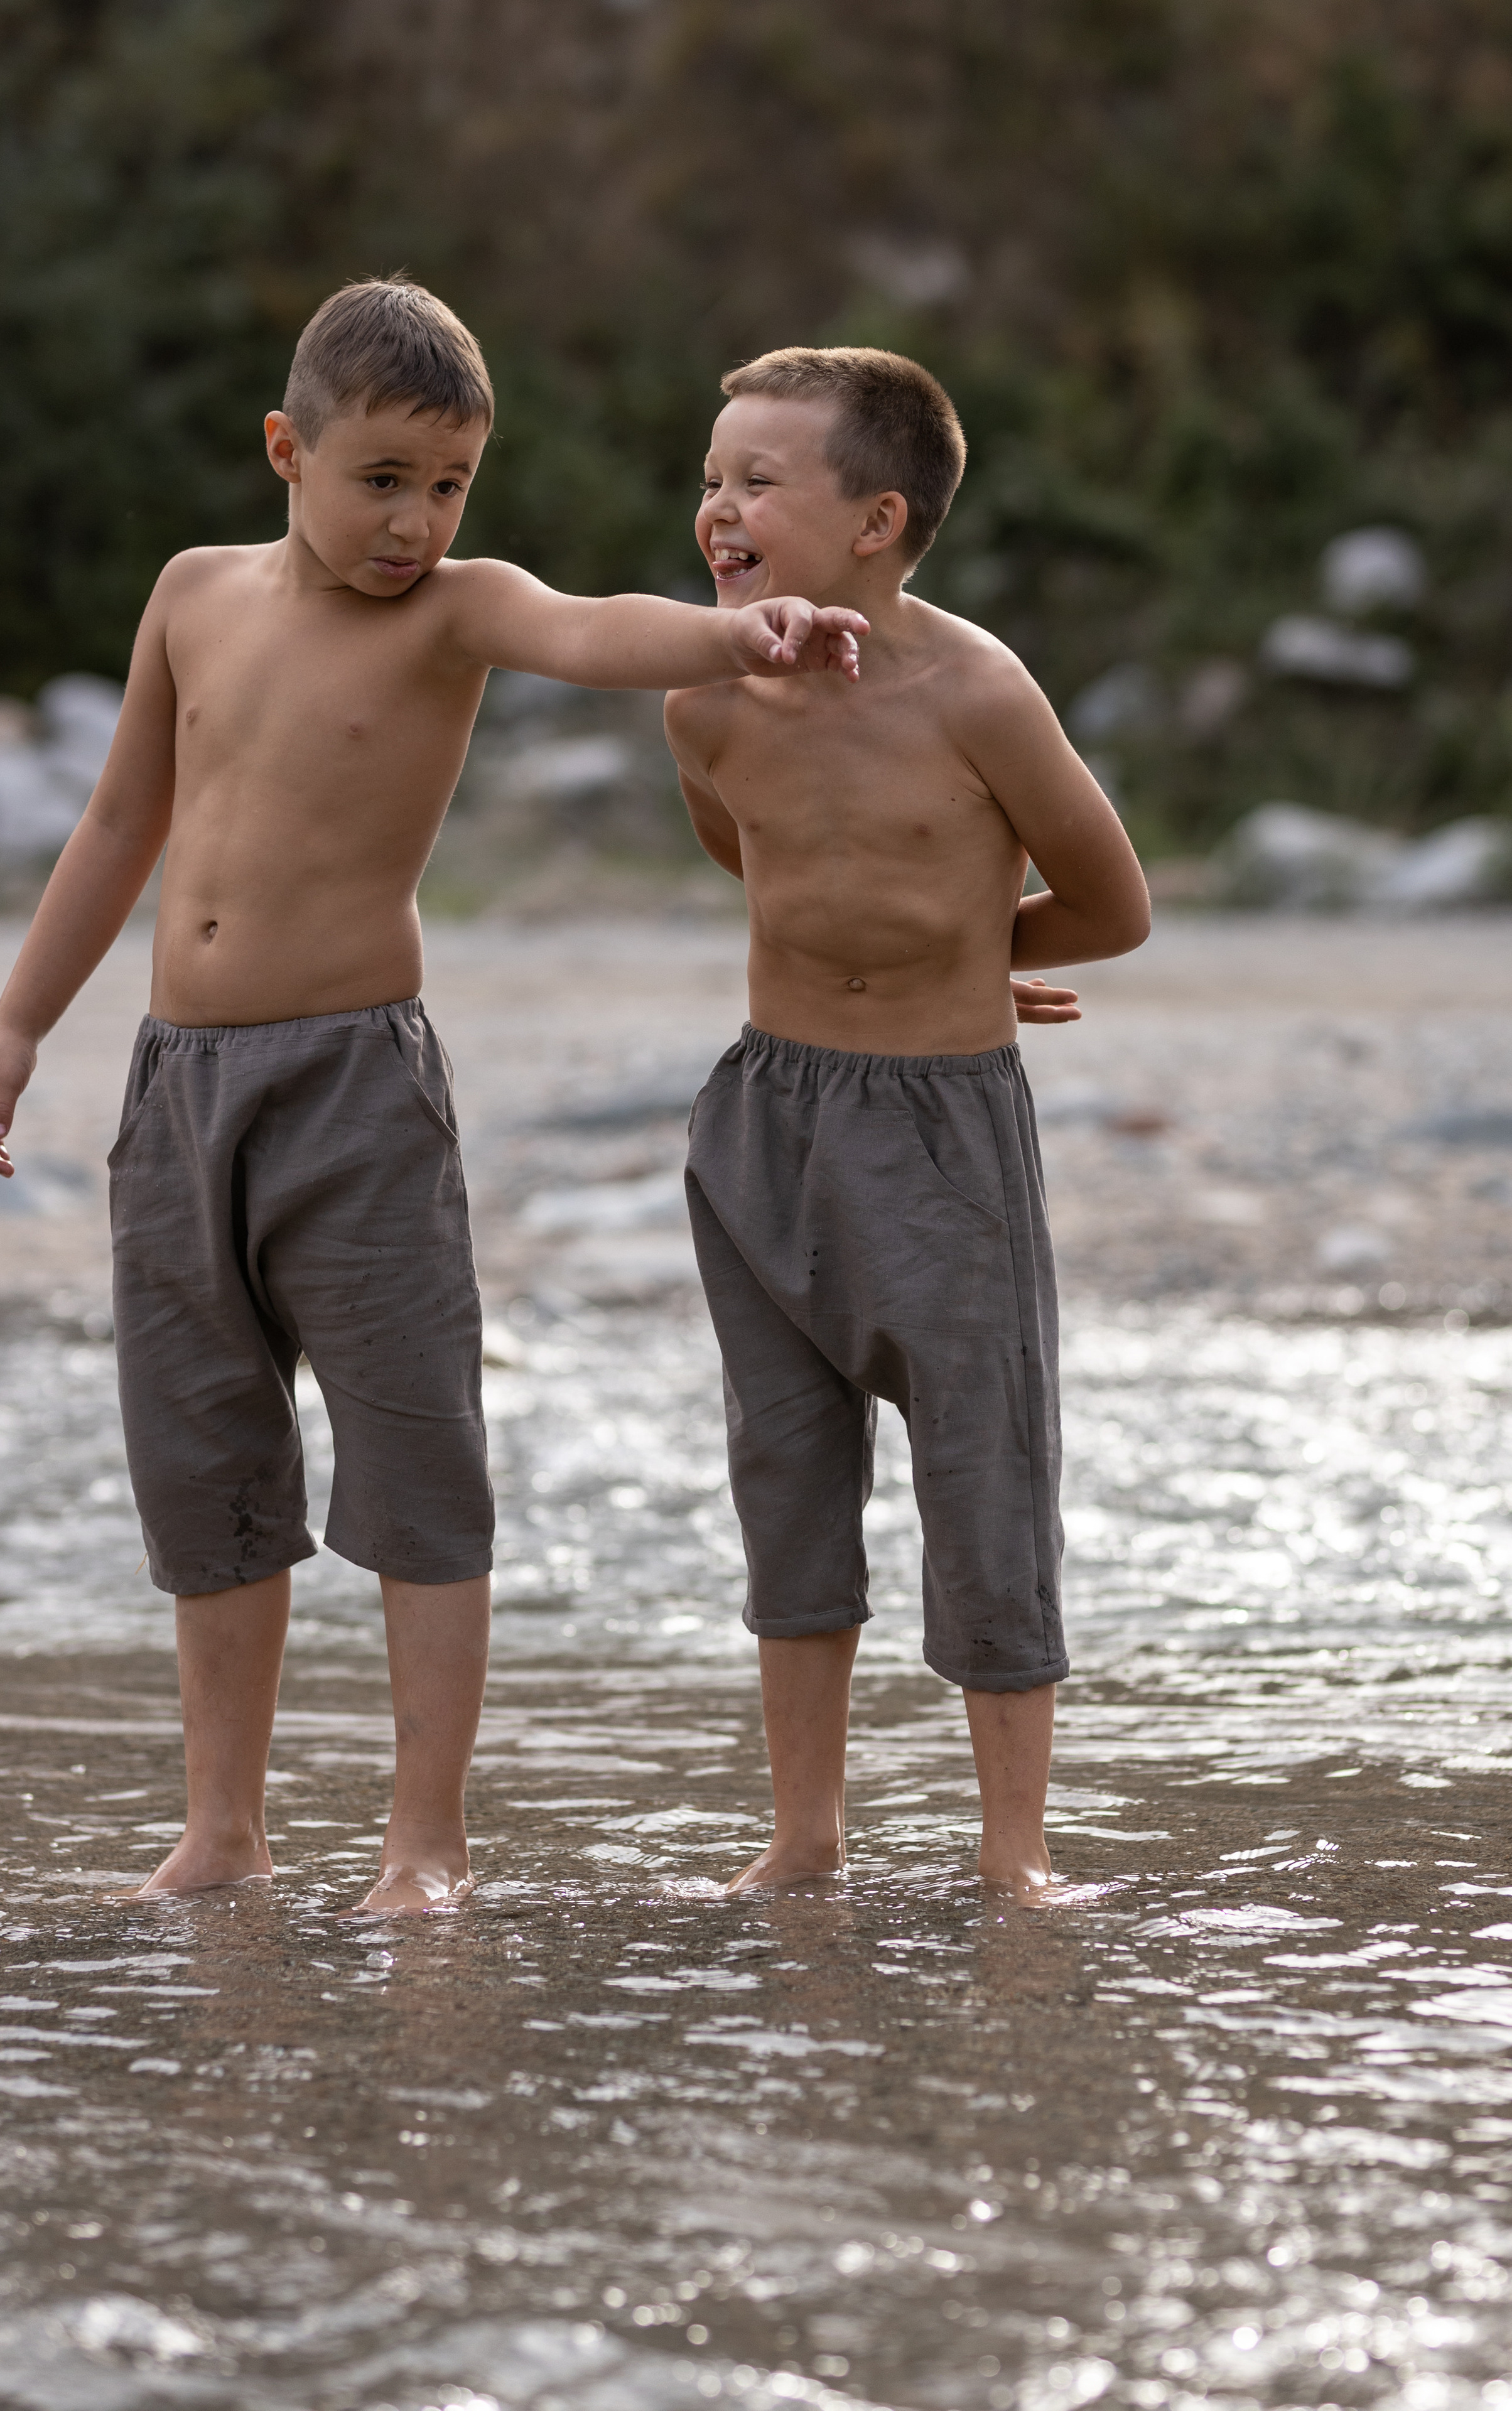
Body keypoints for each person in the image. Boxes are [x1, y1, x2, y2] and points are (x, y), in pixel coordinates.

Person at [0, 277, 867, 1916]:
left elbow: (592, 628)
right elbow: (115, 827)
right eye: (384, 479)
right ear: (284, 452)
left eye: (450, 485)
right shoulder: (191, 598)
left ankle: (423, 1841)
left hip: (353, 1089)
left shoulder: (456, 610)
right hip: (179, 1093)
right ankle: (222, 1830)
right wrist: (23, 1022)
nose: (417, 521)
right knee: (204, 1458)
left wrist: (744, 630)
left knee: (415, 1455)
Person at [665, 345, 1150, 1897]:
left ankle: (1015, 1854)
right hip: (765, 1117)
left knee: (984, 1476)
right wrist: (890, 946)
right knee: (783, 1478)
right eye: (712, 476)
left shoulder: (975, 690)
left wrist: (963, 953)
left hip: (943, 1136)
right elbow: (762, 861)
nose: (717, 507)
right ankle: (802, 1838)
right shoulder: (700, 689)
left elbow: (1110, 902)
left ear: (875, 521)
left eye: (758, 481)